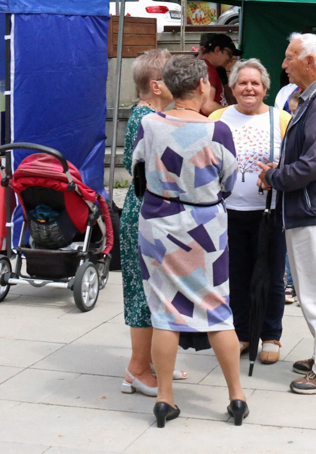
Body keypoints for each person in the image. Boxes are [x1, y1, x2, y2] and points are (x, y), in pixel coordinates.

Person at [131, 55, 247, 427]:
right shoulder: (218, 130)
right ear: (200, 85)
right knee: (217, 310)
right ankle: (237, 396)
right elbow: (230, 181)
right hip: (205, 228)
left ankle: (164, 398)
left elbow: (136, 170)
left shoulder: (149, 124)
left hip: (158, 224)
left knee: (165, 311)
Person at [258, 32, 316, 395]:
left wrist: (274, 177)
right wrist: (281, 171)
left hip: (315, 209)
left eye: (289, 58)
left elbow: (313, 164)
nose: (284, 65)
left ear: (310, 62)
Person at [119, 49, 192, 397]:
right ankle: (137, 369)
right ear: (156, 84)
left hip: (150, 211)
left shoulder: (149, 116)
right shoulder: (146, 118)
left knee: (156, 291)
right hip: (145, 214)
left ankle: (153, 362)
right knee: (143, 293)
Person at [211, 59, 291, 365]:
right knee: (235, 275)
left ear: (266, 88)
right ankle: (241, 333)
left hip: (269, 211)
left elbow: (293, 163)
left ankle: (271, 334)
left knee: (272, 275)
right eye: (242, 83)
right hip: (227, 211)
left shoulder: (281, 119)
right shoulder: (218, 118)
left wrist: (277, 172)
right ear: (232, 87)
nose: (249, 88)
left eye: (255, 83)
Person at [199, 33, 242, 114]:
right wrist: (235, 113)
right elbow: (207, 106)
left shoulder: (216, 70)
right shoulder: (208, 68)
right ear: (217, 50)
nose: (231, 59)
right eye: (229, 54)